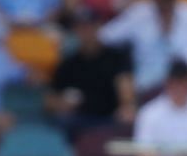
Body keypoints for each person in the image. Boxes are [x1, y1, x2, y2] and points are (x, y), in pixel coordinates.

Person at [99, 0, 187, 94]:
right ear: (154, 0)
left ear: (174, 0)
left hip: (181, 81)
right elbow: (105, 36)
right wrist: (127, 7)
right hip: (147, 85)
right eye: (160, 1)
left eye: (168, 0)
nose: (164, 5)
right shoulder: (139, 14)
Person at [47, 7, 135, 138]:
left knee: (127, 118)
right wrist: (63, 104)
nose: (86, 31)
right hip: (79, 120)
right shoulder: (69, 63)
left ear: (98, 27)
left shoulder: (115, 57)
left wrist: (127, 105)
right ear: (75, 30)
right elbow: (50, 99)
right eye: (82, 27)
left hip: (110, 117)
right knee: (61, 122)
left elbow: (125, 85)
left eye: (90, 26)